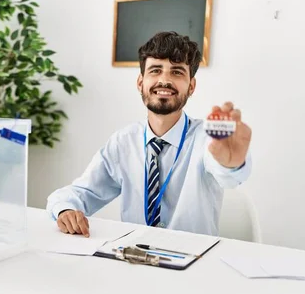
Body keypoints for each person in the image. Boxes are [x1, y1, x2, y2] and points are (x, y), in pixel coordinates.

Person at [46, 31, 252, 237]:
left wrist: (231, 165)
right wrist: (65, 209)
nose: (164, 80)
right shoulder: (124, 141)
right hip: (135, 258)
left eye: (177, 72)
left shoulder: (207, 139)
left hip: (194, 262)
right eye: (155, 70)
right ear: (140, 82)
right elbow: (81, 192)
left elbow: (228, 176)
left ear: (191, 87)